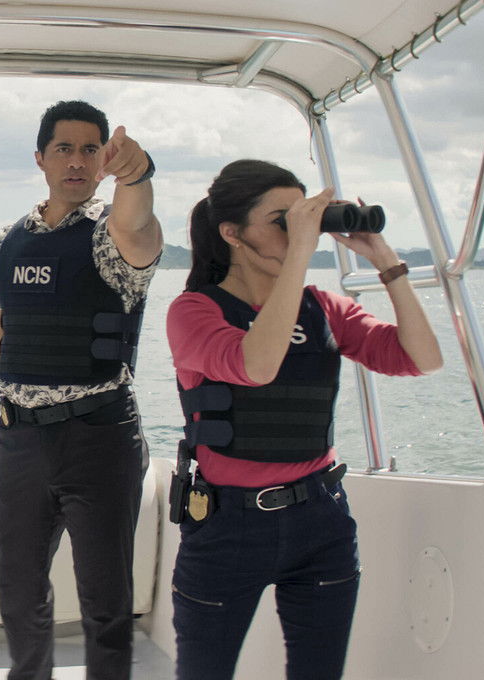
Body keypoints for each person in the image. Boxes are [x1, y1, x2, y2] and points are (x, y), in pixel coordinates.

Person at [166, 160, 443, 679]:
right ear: (231, 233)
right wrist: (300, 253)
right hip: (228, 527)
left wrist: (385, 261)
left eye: (305, 218)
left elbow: (423, 358)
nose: (301, 232)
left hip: (320, 520)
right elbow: (257, 365)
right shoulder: (195, 312)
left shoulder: (325, 310)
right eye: (283, 221)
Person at [0, 100, 162, 680]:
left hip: (99, 438)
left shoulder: (112, 235)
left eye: (91, 150)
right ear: (40, 158)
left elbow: (138, 225)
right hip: (21, 443)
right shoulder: (7, 243)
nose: (77, 161)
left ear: (104, 160)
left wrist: (137, 173)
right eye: (64, 148)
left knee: (105, 601)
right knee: (18, 591)